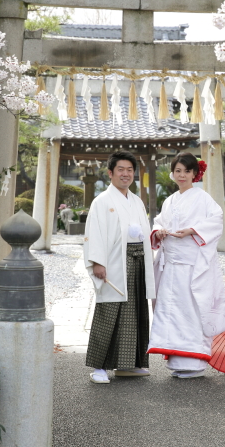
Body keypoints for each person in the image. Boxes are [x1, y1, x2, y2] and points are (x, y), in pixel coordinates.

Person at [147, 152, 225, 379]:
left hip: (192, 266)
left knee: (192, 311)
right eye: (177, 171)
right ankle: (176, 359)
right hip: (171, 266)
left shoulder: (202, 198)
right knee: (171, 312)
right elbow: (158, 224)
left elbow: (215, 220)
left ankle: (194, 362)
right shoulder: (170, 200)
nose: (181, 175)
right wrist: (159, 232)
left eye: (186, 171)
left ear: (195, 173)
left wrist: (192, 230)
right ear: (172, 173)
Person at [83, 151, 155, 384]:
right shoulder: (102, 201)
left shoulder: (135, 200)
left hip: (137, 261)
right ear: (110, 173)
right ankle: (99, 367)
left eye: (129, 170)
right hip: (114, 262)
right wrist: (97, 262)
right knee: (110, 311)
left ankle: (128, 365)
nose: (126, 174)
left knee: (135, 312)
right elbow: (94, 233)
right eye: (121, 170)